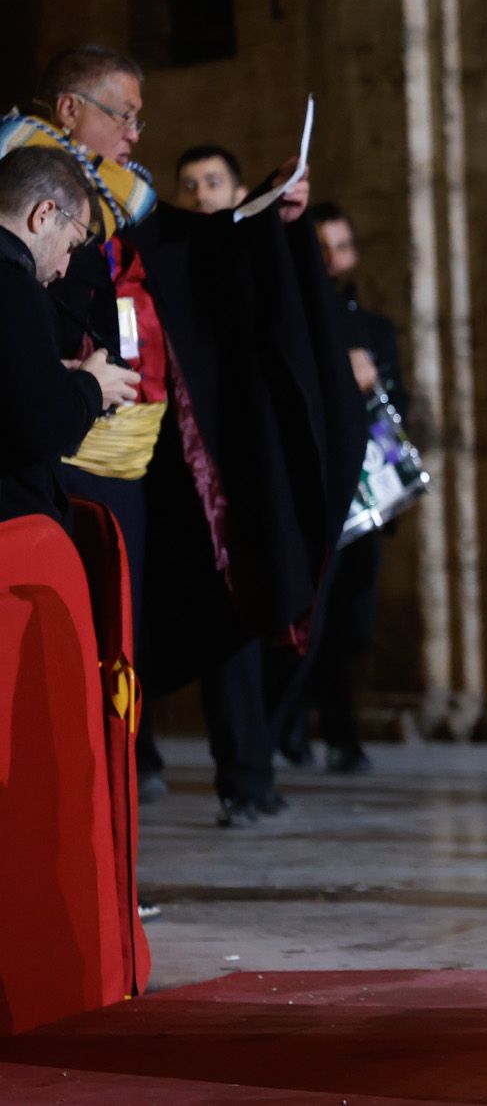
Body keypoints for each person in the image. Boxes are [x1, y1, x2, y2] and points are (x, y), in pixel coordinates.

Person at [12, 44, 366, 827]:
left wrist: (272, 209)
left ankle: (111, 836)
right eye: (124, 115)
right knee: (65, 651)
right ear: (71, 110)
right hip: (54, 449)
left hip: (135, 454)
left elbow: (192, 250)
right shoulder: (23, 176)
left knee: (121, 642)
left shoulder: (119, 192)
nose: (137, 134)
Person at [267, 202, 404, 774]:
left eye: (342, 247)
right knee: (310, 620)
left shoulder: (373, 329)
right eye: (322, 247)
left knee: (354, 624)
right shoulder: (292, 320)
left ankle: (327, 725)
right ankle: (303, 727)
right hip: (312, 496)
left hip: (366, 497)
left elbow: (399, 410)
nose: (333, 260)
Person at [0, 148, 138, 529]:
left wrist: (52, 376)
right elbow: (43, 430)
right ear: (43, 214)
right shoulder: (18, 288)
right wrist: (92, 386)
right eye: (71, 247)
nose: (63, 269)